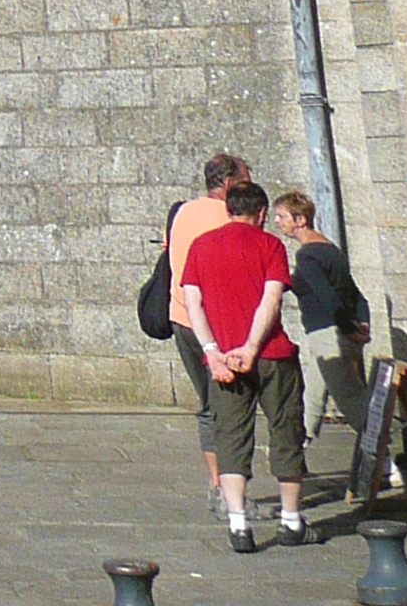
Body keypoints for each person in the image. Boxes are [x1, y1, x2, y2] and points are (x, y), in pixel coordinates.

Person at [181, 178, 309, 551]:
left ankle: (238, 524)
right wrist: (251, 348)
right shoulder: (270, 245)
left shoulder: (201, 246)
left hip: (223, 362)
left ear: (228, 209)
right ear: (263, 213)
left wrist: (212, 352)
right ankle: (291, 520)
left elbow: (193, 303)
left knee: (231, 437)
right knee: (285, 431)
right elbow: (270, 301)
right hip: (271, 355)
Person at [165, 153, 250, 506]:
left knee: (208, 406)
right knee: (228, 408)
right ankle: (231, 496)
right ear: (229, 183)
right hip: (215, 323)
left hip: (180, 316)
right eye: (246, 179)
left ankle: (216, 484)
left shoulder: (184, 210)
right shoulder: (229, 218)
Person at [266, 191, 369, 441]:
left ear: (300, 219)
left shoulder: (308, 255)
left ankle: (383, 457)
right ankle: (301, 443)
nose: (277, 221)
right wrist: (362, 322)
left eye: (282, 216)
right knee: (313, 391)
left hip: (328, 333)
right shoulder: (330, 249)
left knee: (348, 397)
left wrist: (348, 328)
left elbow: (327, 296)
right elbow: (356, 294)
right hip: (328, 333)